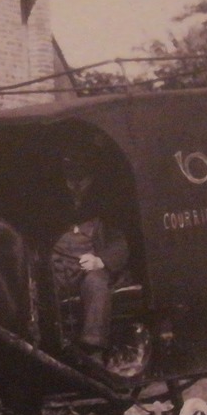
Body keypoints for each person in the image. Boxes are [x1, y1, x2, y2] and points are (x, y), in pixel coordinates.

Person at [49, 149, 128, 362]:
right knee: (41, 287)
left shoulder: (106, 207)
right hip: (59, 268)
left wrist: (100, 261)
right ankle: (50, 348)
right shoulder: (53, 206)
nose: (75, 187)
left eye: (81, 181)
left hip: (90, 266)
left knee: (95, 284)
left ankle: (94, 348)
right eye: (70, 181)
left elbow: (120, 243)